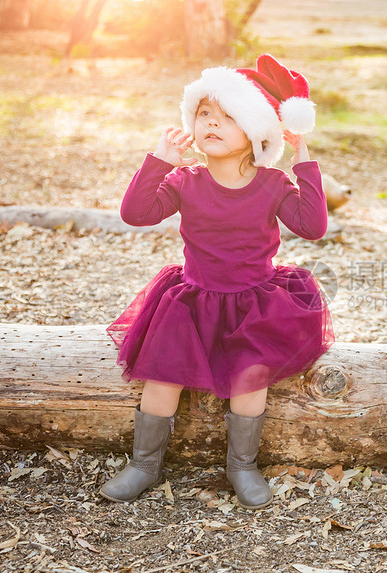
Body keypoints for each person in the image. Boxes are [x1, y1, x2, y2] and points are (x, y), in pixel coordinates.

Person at [100, 54, 334, 509]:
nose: (212, 123)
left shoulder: (272, 183)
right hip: (191, 300)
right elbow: (136, 214)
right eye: (205, 114)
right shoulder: (186, 180)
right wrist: (158, 162)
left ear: (256, 133)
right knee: (162, 378)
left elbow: (313, 226)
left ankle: (242, 465)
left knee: (250, 381)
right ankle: (144, 464)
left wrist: (304, 159)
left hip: (254, 304)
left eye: (228, 117)